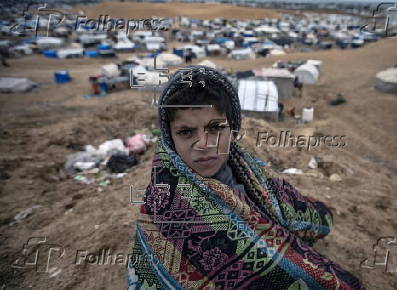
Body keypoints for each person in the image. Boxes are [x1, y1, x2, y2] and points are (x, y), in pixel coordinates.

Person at [128, 65, 364, 290]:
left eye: (215, 128)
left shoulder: (248, 169)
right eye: (186, 132)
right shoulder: (162, 207)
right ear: (169, 139)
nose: (203, 144)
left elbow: (295, 207)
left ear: (233, 128)